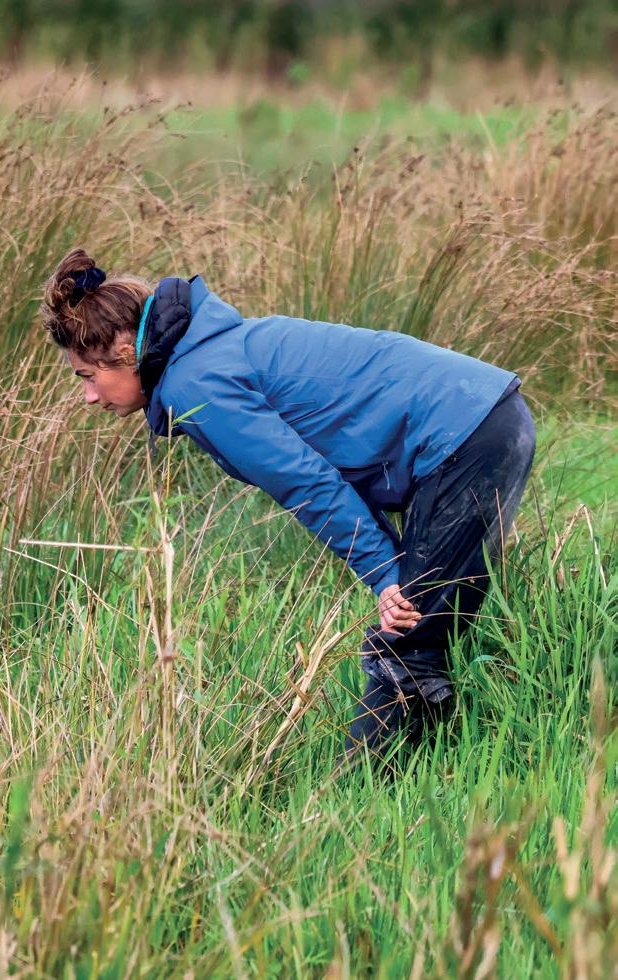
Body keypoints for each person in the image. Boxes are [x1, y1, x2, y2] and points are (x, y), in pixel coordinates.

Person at [40, 248, 537, 763]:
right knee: (427, 625)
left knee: (409, 637)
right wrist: (391, 569)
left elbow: (307, 483)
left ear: (126, 352)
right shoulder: (209, 357)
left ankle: (358, 792)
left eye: (88, 376)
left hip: (465, 435)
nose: (89, 397)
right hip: (484, 417)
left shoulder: (196, 384)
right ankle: (442, 763)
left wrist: (385, 574)